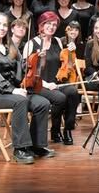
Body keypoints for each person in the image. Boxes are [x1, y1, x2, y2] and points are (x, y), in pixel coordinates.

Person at [0, 12, 53, 163]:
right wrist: (12, 90)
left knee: (42, 103)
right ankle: (20, 149)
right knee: (20, 101)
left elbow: (21, 69)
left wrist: (34, 59)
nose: (2, 28)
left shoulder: (10, 47)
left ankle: (37, 146)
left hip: (14, 91)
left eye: (4, 25)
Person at [23, 11, 82, 146]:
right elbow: (25, 71)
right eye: (48, 24)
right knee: (60, 98)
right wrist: (46, 84)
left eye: (54, 25)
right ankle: (55, 130)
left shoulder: (57, 42)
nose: (51, 27)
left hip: (56, 83)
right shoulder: (31, 44)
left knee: (73, 92)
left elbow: (67, 64)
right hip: (37, 85)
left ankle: (67, 129)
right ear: (41, 25)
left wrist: (72, 52)